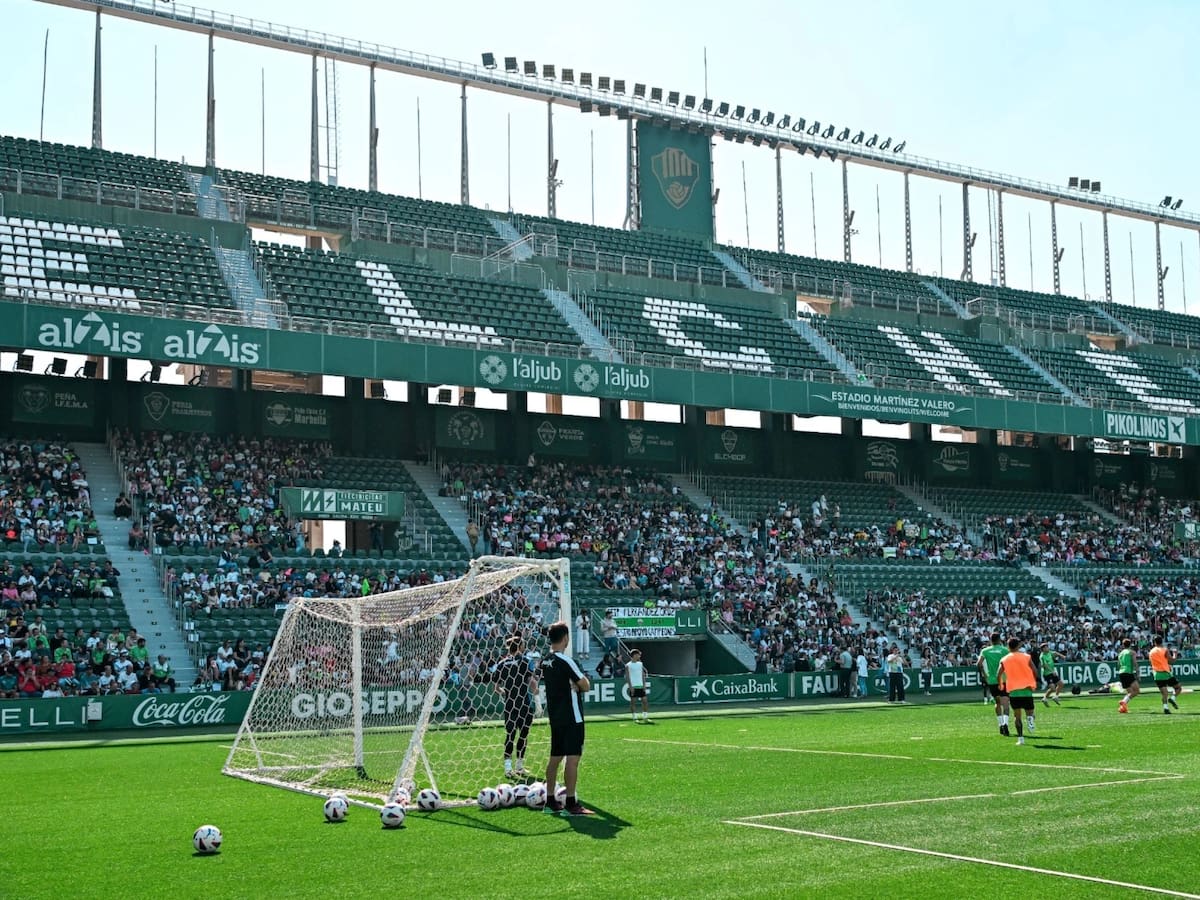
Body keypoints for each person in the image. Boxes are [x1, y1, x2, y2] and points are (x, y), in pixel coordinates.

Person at [540, 621, 592, 816]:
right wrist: (578, 685)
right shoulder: (565, 660)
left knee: (554, 759)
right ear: (565, 638)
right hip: (572, 716)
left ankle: (550, 801)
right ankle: (571, 803)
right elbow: (585, 685)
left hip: (556, 716)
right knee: (572, 759)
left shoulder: (545, 660)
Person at [487, 636, 538, 777]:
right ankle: (519, 766)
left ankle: (508, 769)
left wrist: (506, 693)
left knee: (510, 735)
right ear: (520, 646)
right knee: (523, 735)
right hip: (524, 704)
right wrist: (537, 697)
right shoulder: (526, 661)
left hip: (510, 705)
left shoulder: (502, 664)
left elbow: (496, 687)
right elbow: (531, 681)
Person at [999, 638, 1039, 745]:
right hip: (1026, 689)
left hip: (1014, 691)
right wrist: (1034, 681)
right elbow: (1035, 670)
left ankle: (1021, 739)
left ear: (1008, 647)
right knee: (1029, 711)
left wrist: (1001, 683)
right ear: (1018, 646)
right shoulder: (1026, 657)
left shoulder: (1004, 659)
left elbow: (999, 673)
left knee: (1017, 716)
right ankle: (1030, 719)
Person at [978, 632, 1012, 736]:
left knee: (997, 703)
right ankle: (1006, 723)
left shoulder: (985, 650)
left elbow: (979, 663)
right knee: (1006, 703)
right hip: (1003, 679)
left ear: (990, 640)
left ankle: (1000, 724)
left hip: (992, 680)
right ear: (999, 639)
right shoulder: (1005, 650)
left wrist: (984, 675)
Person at [1148, 635, 1182, 714]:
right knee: (1178, 688)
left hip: (1156, 674)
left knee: (1164, 693)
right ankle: (1173, 698)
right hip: (1165, 673)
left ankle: (1165, 708)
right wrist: (1175, 653)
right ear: (1162, 641)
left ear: (1154, 642)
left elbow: (1151, 663)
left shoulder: (1151, 652)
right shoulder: (1164, 650)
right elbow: (1172, 661)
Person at [625, 648, 652, 724]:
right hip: (633, 686)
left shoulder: (640, 664)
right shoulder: (628, 665)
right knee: (633, 702)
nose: (639, 656)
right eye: (638, 655)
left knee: (645, 701)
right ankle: (634, 717)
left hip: (640, 685)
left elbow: (642, 675)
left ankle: (645, 716)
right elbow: (628, 677)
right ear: (634, 655)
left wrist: (644, 685)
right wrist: (630, 687)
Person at [1117, 638, 1140, 714]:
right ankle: (1123, 701)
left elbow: (1119, 664)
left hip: (1121, 673)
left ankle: (1123, 708)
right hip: (1128, 672)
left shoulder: (1120, 654)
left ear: (1123, 645)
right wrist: (1137, 673)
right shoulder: (1131, 652)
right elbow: (1134, 662)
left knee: (1130, 692)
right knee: (1136, 691)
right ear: (1130, 645)